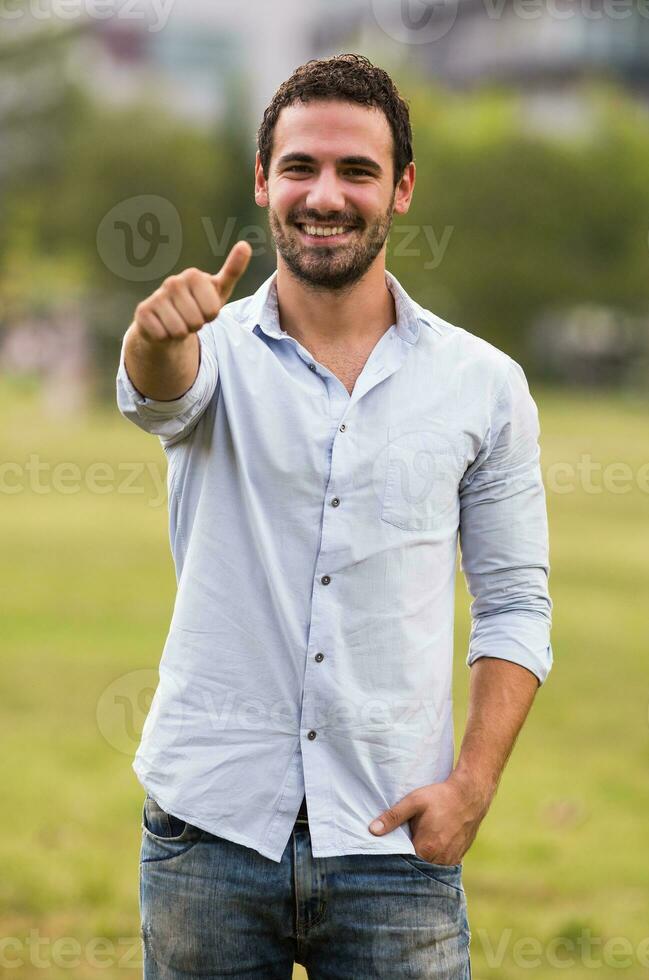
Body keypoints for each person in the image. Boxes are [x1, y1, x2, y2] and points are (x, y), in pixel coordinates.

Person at [116, 53, 553, 980]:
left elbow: (516, 605)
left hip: (395, 847)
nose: (327, 195)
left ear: (400, 189)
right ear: (263, 182)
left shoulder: (484, 385)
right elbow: (159, 394)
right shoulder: (209, 352)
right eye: (302, 167)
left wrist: (472, 788)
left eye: (357, 171)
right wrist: (150, 337)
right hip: (210, 833)